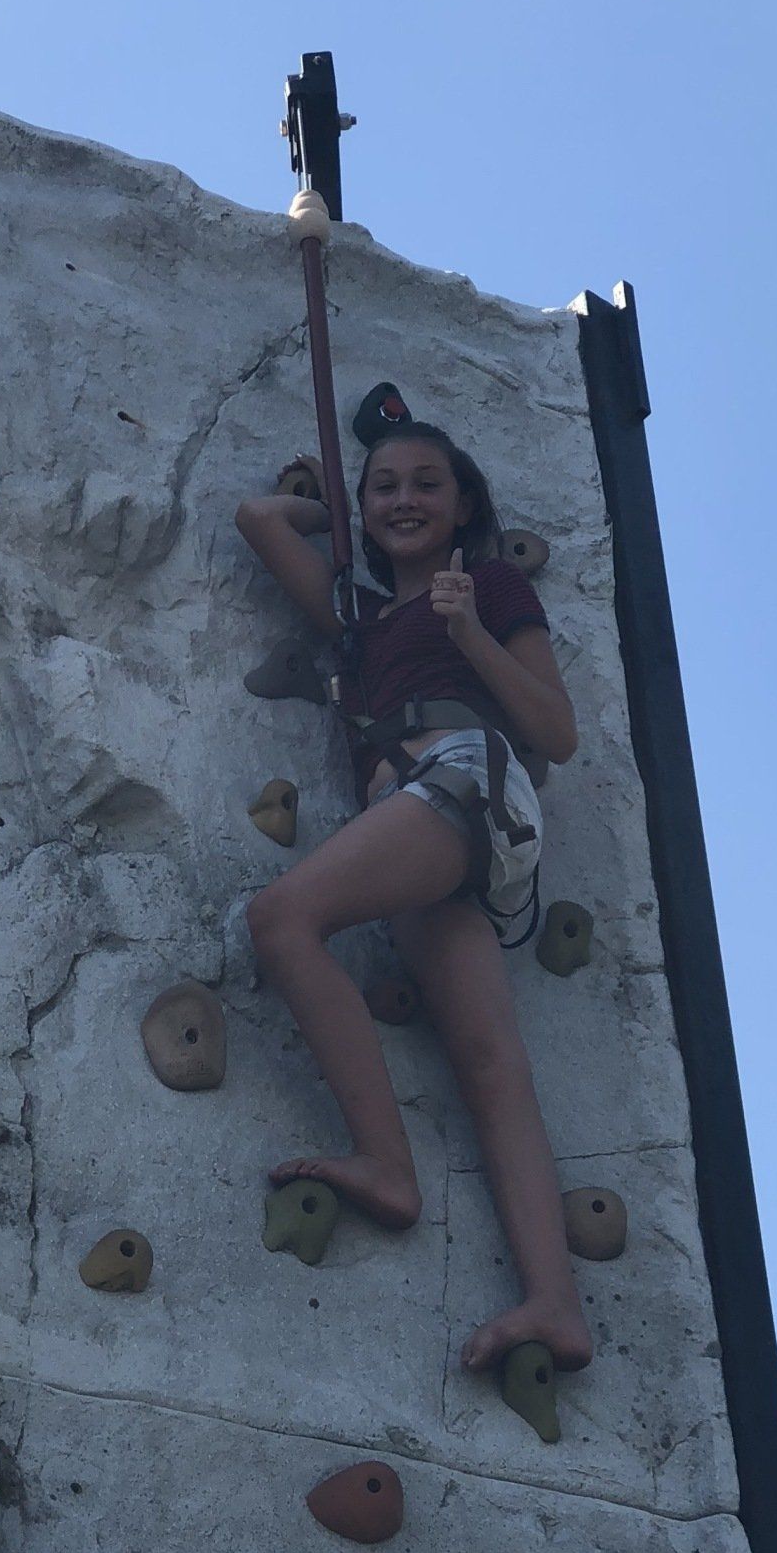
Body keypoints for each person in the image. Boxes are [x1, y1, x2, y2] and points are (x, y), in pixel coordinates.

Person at [235, 414, 591, 1379]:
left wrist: (468, 625)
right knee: (487, 1060)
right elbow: (259, 519)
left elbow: (556, 734)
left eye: (427, 484)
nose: (404, 501)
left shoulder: (491, 587)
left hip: (463, 781)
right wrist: (329, 515)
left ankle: (386, 1163)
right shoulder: (356, 617)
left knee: (283, 920)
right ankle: (556, 1304)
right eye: (383, 487)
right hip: (426, 823)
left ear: (466, 502)